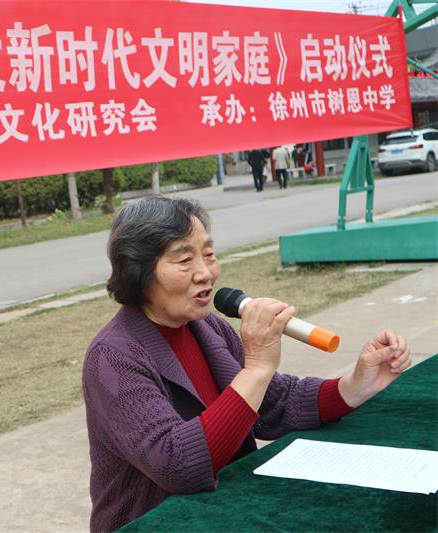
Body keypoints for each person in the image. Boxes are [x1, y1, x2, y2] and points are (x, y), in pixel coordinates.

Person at [82, 197, 411, 533]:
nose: (205, 272)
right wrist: (256, 368)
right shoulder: (113, 357)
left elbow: (274, 404)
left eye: (209, 254)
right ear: (137, 271)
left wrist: (355, 385)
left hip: (225, 512)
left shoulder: (207, 326)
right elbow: (177, 465)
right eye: (184, 259)